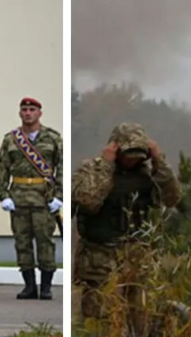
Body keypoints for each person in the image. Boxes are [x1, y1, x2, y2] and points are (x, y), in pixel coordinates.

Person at [71, 122, 180, 322]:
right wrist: (106, 165)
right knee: (99, 317)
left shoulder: (147, 176)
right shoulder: (92, 169)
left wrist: (159, 161)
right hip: (99, 255)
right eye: (128, 156)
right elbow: (88, 200)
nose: (132, 161)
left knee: (138, 315)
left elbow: (172, 198)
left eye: (137, 157)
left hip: (136, 254)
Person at [0, 97, 62, 300]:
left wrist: (59, 196)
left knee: (45, 242)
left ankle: (46, 287)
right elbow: (3, 169)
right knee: (22, 242)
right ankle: (29, 286)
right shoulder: (11, 139)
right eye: (24, 110)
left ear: (39, 113)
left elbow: (62, 167)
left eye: (32, 109)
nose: (28, 113)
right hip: (19, 198)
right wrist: (3, 195)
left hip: (43, 198)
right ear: (20, 113)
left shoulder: (53, 138)